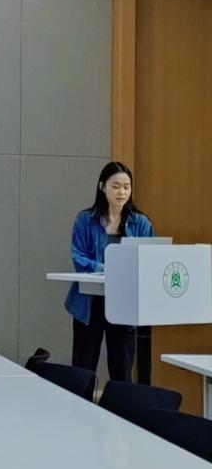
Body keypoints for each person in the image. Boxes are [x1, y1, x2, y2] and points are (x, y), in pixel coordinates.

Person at [65, 161, 155, 382]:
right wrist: (108, 268)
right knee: (83, 368)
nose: (121, 192)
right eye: (115, 186)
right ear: (102, 186)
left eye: (126, 186)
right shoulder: (85, 220)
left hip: (124, 302)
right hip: (90, 301)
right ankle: (80, 404)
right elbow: (78, 257)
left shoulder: (140, 223)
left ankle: (120, 405)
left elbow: (150, 257)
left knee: (122, 369)